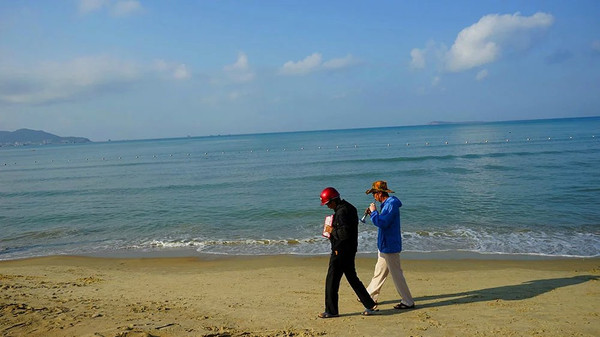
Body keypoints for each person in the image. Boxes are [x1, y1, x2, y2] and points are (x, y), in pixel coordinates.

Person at [318, 187, 378, 318]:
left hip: (341, 251)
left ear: (333, 200)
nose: (327, 206)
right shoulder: (350, 208)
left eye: (328, 203)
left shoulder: (341, 212)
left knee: (332, 280)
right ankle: (370, 304)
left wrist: (330, 230)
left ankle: (331, 311)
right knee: (352, 278)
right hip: (350, 249)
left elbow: (343, 234)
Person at [364, 180, 415, 310]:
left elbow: (383, 223)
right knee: (379, 272)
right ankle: (369, 296)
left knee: (396, 274)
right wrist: (373, 213)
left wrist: (374, 212)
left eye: (374, 194)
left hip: (390, 245)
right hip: (384, 245)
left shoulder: (390, 205)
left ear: (379, 193)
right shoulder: (386, 204)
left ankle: (408, 301)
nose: (373, 197)